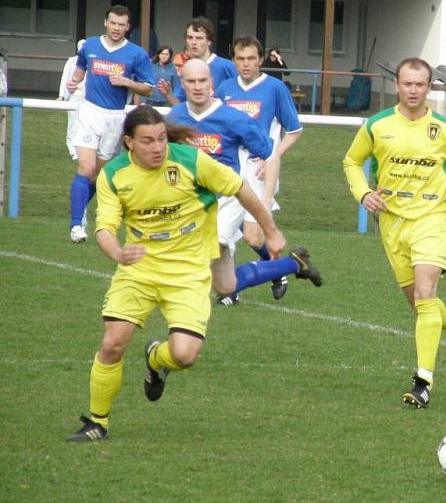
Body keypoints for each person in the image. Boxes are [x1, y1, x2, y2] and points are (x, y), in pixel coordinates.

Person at [64, 105, 310, 441]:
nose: (157, 148)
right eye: (148, 141)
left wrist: (270, 229)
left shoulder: (190, 161)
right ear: (128, 143)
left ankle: (156, 358)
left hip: (189, 274)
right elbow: (105, 227)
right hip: (140, 272)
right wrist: (118, 252)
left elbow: (239, 187)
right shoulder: (114, 175)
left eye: (162, 139)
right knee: (112, 343)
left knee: (184, 355)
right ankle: (97, 422)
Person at [342, 57, 446, 409]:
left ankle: (423, 382)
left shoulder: (445, 128)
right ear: (397, 86)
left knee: (426, 291)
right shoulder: (377, 125)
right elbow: (352, 161)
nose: (413, 90)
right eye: (407, 84)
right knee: (421, 306)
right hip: (392, 222)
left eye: (420, 84)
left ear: (429, 87)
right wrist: (363, 193)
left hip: (432, 217)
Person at [168, 58, 321, 304]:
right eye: (191, 81)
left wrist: (267, 199)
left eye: (202, 80)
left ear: (212, 83)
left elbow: (270, 155)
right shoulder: (174, 118)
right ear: (182, 84)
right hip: (191, 205)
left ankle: (178, 329)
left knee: (198, 263)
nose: (197, 86)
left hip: (227, 200)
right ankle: (291, 264)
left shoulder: (233, 119)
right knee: (226, 286)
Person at [217, 36, 304, 301]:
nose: (246, 64)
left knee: (255, 238)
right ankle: (230, 290)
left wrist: (272, 158)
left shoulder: (274, 88)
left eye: (251, 58)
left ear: (261, 59)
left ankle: (276, 269)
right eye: (241, 58)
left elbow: (295, 131)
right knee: (221, 235)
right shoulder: (224, 88)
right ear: (233, 59)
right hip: (230, 166)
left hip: (259, 168)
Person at [66, 5, 155, 244]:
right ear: (106, 22)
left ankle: (80, 208)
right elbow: (81, 67)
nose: (117, 28)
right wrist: (75, 81)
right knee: (85, 167)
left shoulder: (136, 54)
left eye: (122, 25)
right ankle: (76, 224)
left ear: (128, 27)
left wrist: (126, 81)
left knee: (98, 176)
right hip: (89, 112)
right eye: (113, 23)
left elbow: (148, 87)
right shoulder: (91, 45)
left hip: (115, 117)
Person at [158, 16, 237, 105]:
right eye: (190, 37)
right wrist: (168, 94)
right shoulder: (187, 69)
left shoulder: (227, 66)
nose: (193, 42)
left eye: (199, 38)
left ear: (209, 41)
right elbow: (180, 106)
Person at [57, 39, 86, 161]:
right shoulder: (71, 61)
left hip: (86, 98)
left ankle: (81, 149)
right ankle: (72, 149)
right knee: (72, 123)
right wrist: (62, 95)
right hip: (73, 97)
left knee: (83, 124)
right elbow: (65, 78)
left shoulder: (91, 62)